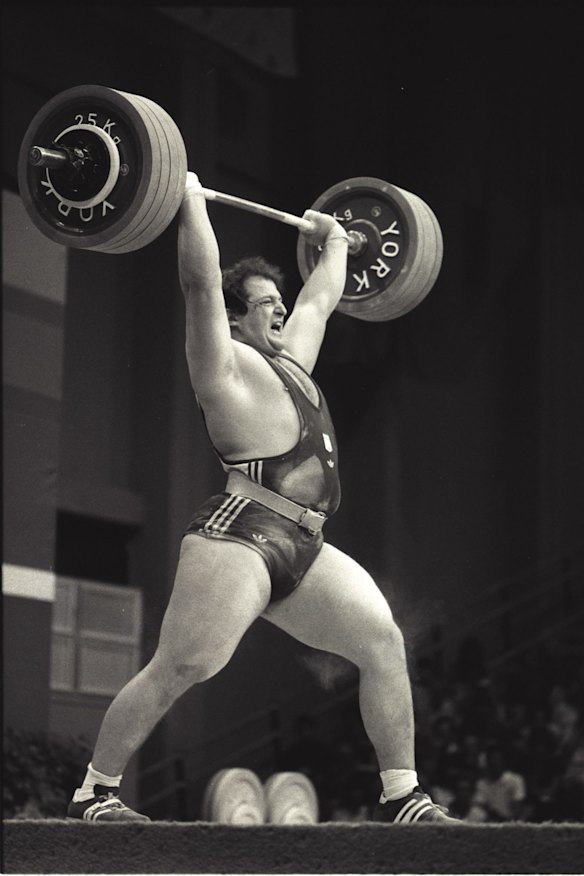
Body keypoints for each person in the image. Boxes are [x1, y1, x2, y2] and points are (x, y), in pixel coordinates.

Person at [67, 172, 457, 824]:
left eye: (280, 301)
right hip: (241, 532)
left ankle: (403, 797)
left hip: (306, 543)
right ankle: (94, 792)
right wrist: (190, 201)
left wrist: (340, 241)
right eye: (265, 303)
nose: (281, 309)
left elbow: (322, 300)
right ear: (234, 317)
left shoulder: (292, 364)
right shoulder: (221, 364)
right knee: (184, 665)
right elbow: (200, 283)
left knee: (383, 643)